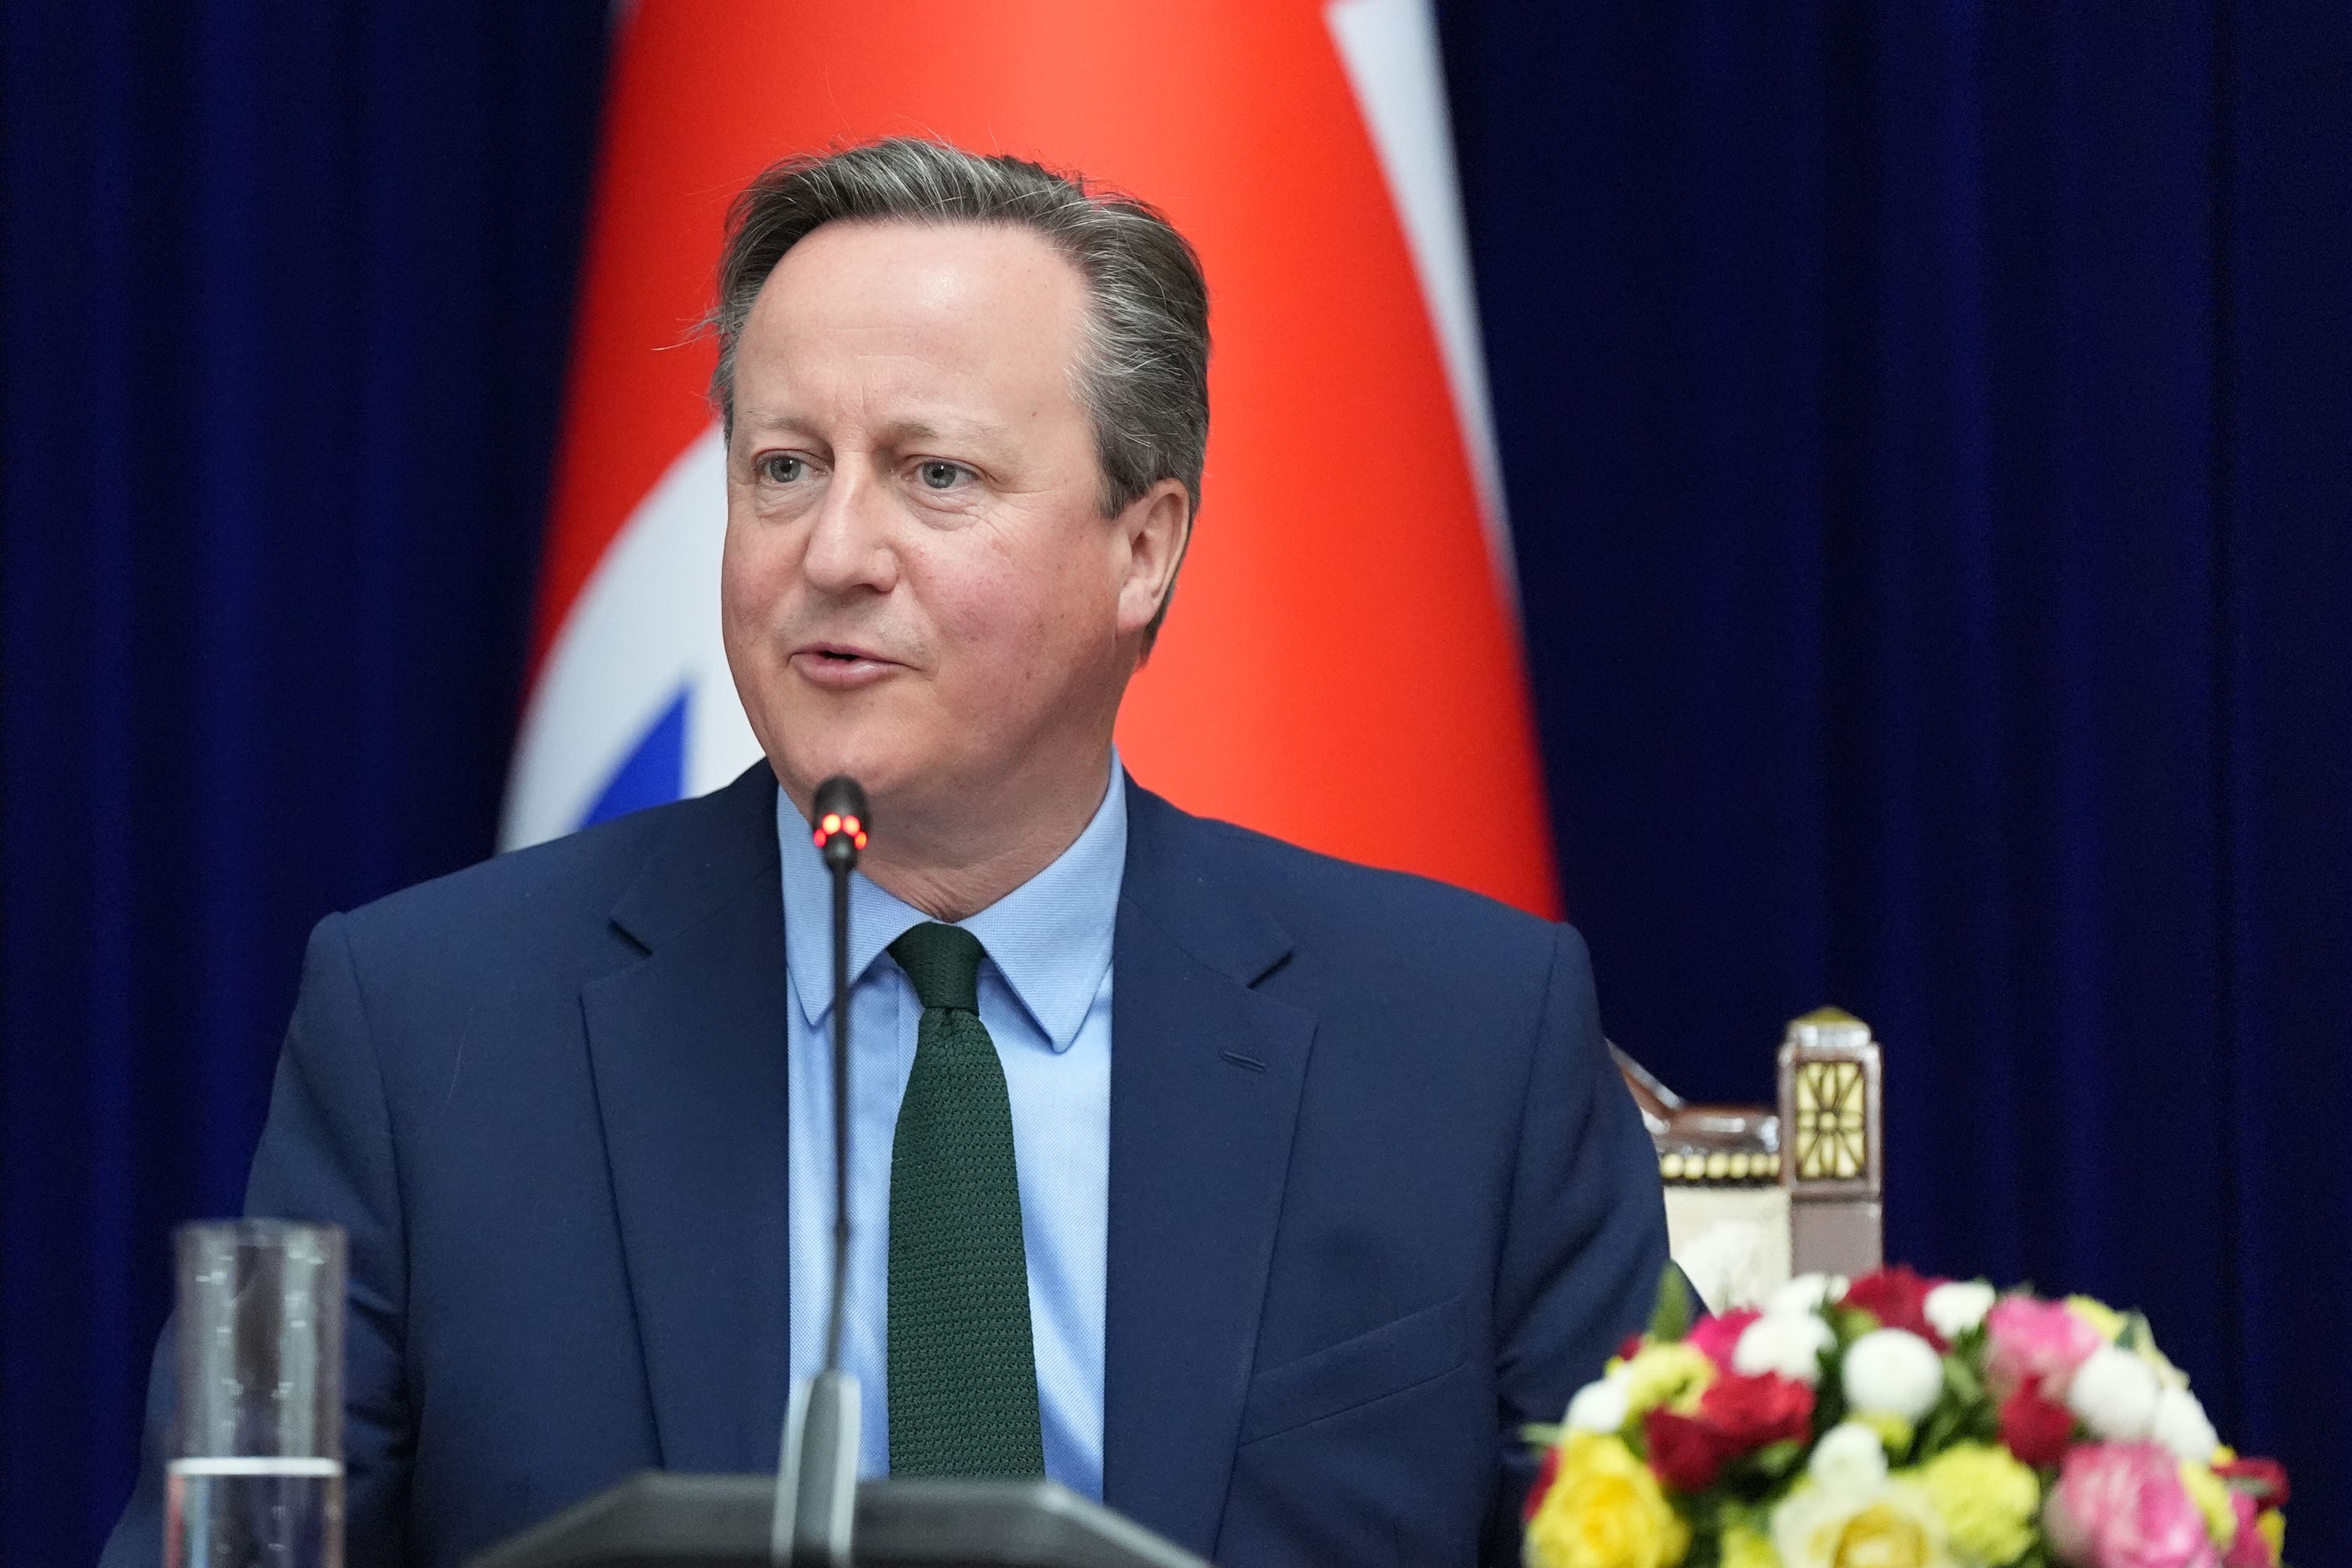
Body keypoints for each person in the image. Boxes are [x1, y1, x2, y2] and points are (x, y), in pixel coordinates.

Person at [103, 139, 1668, 1568]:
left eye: (937, 475)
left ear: (1144, 547)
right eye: (785, 467)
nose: (835, 554)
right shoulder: (428, 1026)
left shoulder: (1460, 1044)